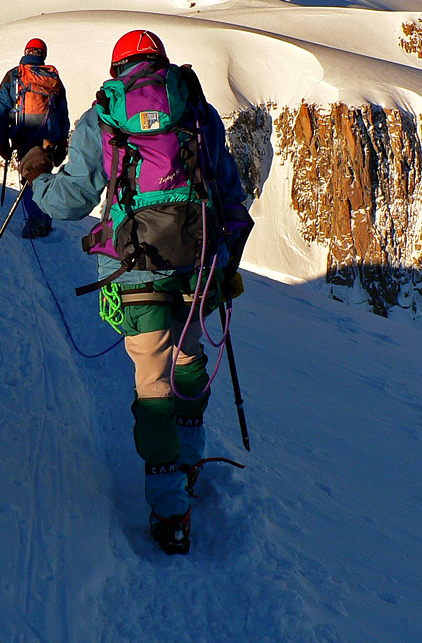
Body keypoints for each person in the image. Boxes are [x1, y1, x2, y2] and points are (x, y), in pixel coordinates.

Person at [21, 29, 251, 554]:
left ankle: (171, 512)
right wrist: (226, 262)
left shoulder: (103, 116)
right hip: (198, 265)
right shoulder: (196, 109)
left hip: (137, 269)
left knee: (152, 382)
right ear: (161, 63)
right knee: (189, 359)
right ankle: (189, 464)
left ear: (118, 69)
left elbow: (72, 200)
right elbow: (231, 195)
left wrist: (36, 177)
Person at [0, 39, 70, 238]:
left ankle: (37, 222)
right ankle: (45, 218)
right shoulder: (52, 78)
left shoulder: (14, 76)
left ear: (26, 51)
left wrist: (3, 142)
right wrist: (63, 143)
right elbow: (63, 114)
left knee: (29, 177)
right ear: (43, 55)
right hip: (49, 139)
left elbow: (1, 110)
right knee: (44, 175)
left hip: (25, 136)